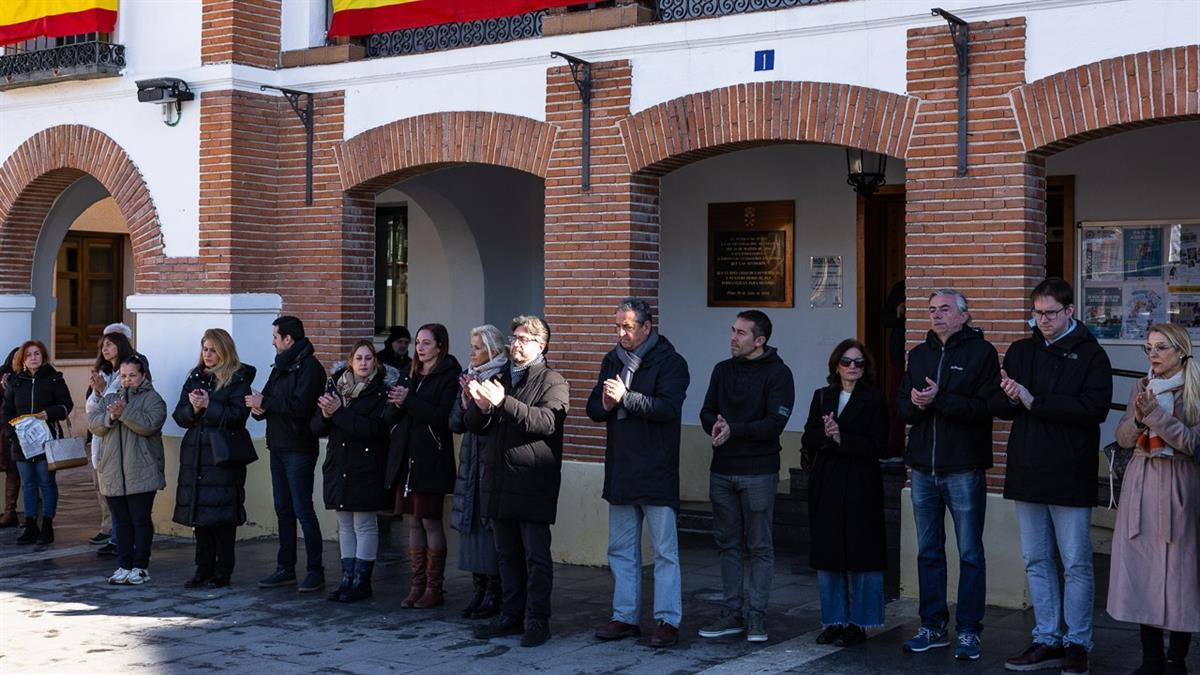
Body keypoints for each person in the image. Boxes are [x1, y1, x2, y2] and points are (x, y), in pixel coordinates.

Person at [992, 279, 1111, 675]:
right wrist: (1009, 397)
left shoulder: (1091, 354)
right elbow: (1002, 407)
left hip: (1070, 471)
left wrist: (1034, 401)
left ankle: (1077, 643)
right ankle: (1046, 638)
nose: (1042, 320)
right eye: (1037, 313)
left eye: (1050, 313)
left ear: (1069, 311)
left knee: (1075, 562)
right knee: (1036, 559)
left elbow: (1093, 410)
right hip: (1027, 468)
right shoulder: (1021, 350)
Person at [897, 288, 1000, 661]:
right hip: (923, 469)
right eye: (931, 309)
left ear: (963, 315)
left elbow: (986, 408)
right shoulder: (918, 355)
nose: (936, 315)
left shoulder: (982, 353)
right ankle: (933, 626)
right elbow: (903, 408)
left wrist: (940, 398)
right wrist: (917, 403)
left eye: (944, 309)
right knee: (928, 552)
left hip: (963, 468)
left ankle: (969, 631)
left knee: (970, 553)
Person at [586, 298, 690, 647]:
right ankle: (624, 617)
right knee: (621, 549)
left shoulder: (671, 362)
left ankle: (668, 620)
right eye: (618, 326)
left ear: (647, 327)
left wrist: (626, 398)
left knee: (664, 552)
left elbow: (667, 408)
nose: (621, 333)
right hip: (621, 468)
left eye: (627, 327)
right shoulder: (612, 359)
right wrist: (606, 404)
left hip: (657, 469)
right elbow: (593, 407)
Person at [466, 315, 569, 648]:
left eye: (523, 339)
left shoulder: (552, 380)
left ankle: (537, 620)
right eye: (514, 338)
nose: (515, 344)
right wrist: (480, 407)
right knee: (506, 554)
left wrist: (502, 402)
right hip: (499, 479)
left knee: (535, 557)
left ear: (542, 345)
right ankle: (511, 615)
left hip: (532, 481)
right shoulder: (500, 377)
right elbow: (474, 425)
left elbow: (546, 422)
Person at [697, 310, 794, 643]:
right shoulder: (722, 370)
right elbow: (706, 410)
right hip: (722, 470)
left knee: (760, 546)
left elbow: (774, 423)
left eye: (741, 333)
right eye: (733, 330)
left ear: (760, 340)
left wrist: (733, 430)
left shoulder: (779, 374)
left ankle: (757, 616)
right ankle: (732, 613)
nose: (733, 337)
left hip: (759, 472)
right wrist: (715, 425)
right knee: (727, 544)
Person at [1110, 323, 1200, 674]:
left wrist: (1155, 416)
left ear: (1181, 351)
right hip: (1141, 482)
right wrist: (1137, 418)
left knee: (1180, 576)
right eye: (1149, 347)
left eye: (1161, 347)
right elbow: (1122, 438)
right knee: (1142, 571)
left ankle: (1176, 660)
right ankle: (1150, 660)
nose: (1153, 354)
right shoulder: (1142, 386)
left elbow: (1192, 443)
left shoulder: (1194, 389)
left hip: (1179, 484)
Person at [801, 339, 889, 648]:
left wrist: (842, 438)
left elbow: (880, 445)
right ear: (836, 366)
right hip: (827, 482)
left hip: (861, 482)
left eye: (858, 363)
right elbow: (808, 437)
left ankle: (859, 623)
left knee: (863, 553)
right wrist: (826, 436)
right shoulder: (822, 396)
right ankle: (833, 621)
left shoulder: (874, 399)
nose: (852, 367)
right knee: (829, 553)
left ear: (866, 368)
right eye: (846, 362)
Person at [385, 323, 461, 609]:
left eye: (426, 343)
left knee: (430, 520)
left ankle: (434, 587)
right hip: (407, 457)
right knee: (412, 521)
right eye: (418, 342)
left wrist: (410, 401)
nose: (419, 348)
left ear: (440, 346)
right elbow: (390, 415)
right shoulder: (410, 373)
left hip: (432, 457)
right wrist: (396, 404)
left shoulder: (449, 375)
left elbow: (443, 417)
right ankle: (416, 585)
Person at [248, 316, 327, 593]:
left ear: (288, 339)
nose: (272, 342)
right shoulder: (281, 365)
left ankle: (315, 570)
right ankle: (285, 568)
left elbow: (301, 406)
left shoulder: (310, 367)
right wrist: (258, 408)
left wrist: (266, 402)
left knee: (303, 509)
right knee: (283, 509)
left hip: (299, 447)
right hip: (278, 445)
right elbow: (269, 399)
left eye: (275, 337)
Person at [172, 328, 256, 588]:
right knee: (201, 518)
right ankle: (202, 569)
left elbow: (238, 417)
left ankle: (223, 571)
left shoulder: (237, 379)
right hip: (197, 455)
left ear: (224, 351)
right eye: (205, 349)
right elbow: (179, 416)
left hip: (222, 457)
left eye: (213, 350)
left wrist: (210, 405)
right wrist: (193, 408)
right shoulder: (195, 376)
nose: (207, 354)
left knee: (223, 518)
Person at [313, 339, 395, 603]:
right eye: (358, 358)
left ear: (375, 362)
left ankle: (362, 581)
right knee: (345, 525)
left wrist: (337, 413)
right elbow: (316, 428)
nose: (363, 363)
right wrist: (326, 415)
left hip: (366, 466)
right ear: (350, 362)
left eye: (368, 358)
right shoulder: (337, 388)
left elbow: (373, 429)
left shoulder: (382, 392)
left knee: (364, 524)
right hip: (339, 464)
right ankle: (347, 578)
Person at [88, 355, 167, 586]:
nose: (127, 380)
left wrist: (124, 412)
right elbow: (94, 424)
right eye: (123, 376)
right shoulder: (111, 397)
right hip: (113, 472)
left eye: (132, 375)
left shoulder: (153, 398)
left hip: (142, 471)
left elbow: (150, 425)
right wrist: (111, 416)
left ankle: (140, 567)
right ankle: (124, 565)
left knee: (140, 520)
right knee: (120, 522)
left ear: (143, 376)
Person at [449, 324, 508, 619]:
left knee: (490, 530)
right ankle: (478, 591)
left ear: (493, 350)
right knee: (471, 526)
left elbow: (498, 422)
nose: (471, 353)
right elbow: (454, 423)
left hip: (491, 462)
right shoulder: (468, 376)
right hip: (470, 463)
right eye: (471, 347)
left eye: (477, 347)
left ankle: (495, 593)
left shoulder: (503, 377)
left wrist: (480, 405)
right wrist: (464, 403)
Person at [1, 340, 74, 545]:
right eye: (29, 355)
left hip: (46, 441)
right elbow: (6, 412)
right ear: (22, 359)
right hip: (21, 442)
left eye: (37, 354)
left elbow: (67, 405)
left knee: (46, 482)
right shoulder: (15, 382)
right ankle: (31, 524)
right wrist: (11, 434)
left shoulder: (54, 378)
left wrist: (48, 413)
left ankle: (47, 525)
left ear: (43, 356)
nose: (33, 358)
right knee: (28, 483)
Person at [84, 328, 137, 556]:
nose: (104, 349)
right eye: (102, 345)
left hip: (118, 438)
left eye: (109, 344)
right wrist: (97, 392)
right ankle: (114, 535)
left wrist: (103, 391)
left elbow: (118, 404)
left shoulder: (127, 372)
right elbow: (91, 409)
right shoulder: (105, 373)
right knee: (105, 489)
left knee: (118, 492)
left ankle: (120, 540)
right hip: (101, 436)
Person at [0, 347, 20, 528]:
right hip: (4, 432)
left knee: (15, 471)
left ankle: (10, 512)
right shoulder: (3, 376)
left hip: (24, 433)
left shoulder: (30, 378)